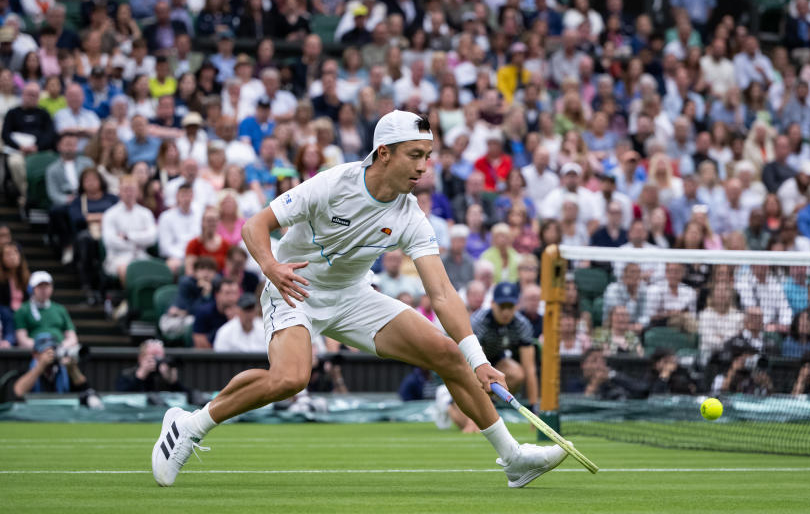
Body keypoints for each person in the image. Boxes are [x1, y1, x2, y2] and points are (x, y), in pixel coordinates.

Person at [151, 111, 564, 488]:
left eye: (428, 156)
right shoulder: (334, 184)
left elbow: (441, 292)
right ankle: (191, 425)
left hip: (353, 296)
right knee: (291, 379)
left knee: (449, 354)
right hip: (296, 289)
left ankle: (513, 459)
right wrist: (272, 267)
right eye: (415, 155)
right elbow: (255, 224)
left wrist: (479, 361)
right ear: (384, 153)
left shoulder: (410, 214)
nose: (423, 167)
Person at [471, 282, 540, 406]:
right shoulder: (479, 322)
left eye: (510, 306)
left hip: (496, 361)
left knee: (517, 374)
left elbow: (530, 369)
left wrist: (533, 406)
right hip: (471, 363)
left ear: (517, 305)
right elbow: (473, 361)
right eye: (502, 306)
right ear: (492, 303)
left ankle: (492, 404)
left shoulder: (522, 325)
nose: (506, 312)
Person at [11, 332, 100, 406]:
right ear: (35, 354)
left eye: (54, 349)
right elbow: (18, 392)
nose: (52, 354)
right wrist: (40, 367)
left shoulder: (62, 369)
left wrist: (72, 368)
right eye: (47, 351)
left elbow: (85, 389)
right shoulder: (28, 369)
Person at [13, 271, 78, 349]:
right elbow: (22, 339)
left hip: (60, 351)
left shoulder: (60, 309)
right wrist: (42, 347)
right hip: (35, 353)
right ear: (32, 289)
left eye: (47, 286)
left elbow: (72, 337)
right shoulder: (23, 310)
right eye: (40, 286)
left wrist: (60, 346)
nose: (44, 290)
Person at [116, 339, 186, 392]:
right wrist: (140, 377)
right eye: (153, 355)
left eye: (160, 355)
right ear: (141, 358)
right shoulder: (128, 375)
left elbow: (184, 400)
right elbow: (122, 397)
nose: (157, 359)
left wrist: (173, 382)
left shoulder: (165, 375)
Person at [191, 278, 241, 349]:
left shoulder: (243, 313)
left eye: (234, 293)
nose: (231, 298)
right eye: (227, 293)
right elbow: (200, 343)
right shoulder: (204, 312)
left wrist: (234, 321)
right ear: (217, 295)